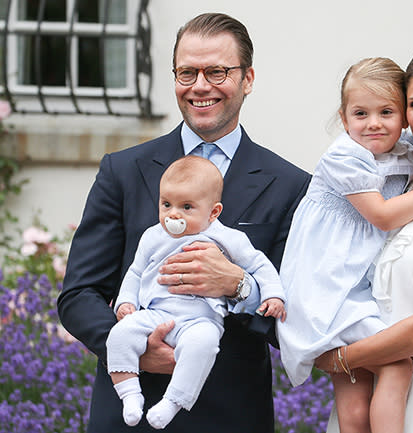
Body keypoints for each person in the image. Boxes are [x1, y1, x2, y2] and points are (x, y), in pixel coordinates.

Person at [57, 12, 310, 433]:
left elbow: (298, 313)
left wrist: (240, 287)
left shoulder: (291, 185)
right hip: (129, 416)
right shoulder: (122, 170)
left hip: (232, 415)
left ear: (247, 78)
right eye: (187, 72)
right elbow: (79, 293)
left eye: (217, 71)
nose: (200, 86)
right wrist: (133, 350)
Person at [277, 57, 413, 433]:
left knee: (354, 390)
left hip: (351, 282)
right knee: (396, 366)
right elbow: (383, 216)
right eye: (361, 113)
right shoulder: (346, 157)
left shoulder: (403, 148)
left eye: (387, 112)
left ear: (402, 118)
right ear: (344, 119)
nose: (374, 123)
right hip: (331, 285)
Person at [106, 156, 286, 429]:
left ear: (213, 212)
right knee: (120, 334)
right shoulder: (153, 236)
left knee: (203, 345)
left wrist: (273, 295)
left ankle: (173, 401)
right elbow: (135, 272)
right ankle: (130, 394)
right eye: (166, 204)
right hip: (156, 314)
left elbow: (259, 264)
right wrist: (126, 302)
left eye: (186, 207)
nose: (173, 214)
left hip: (200, 319)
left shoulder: (227, 237)